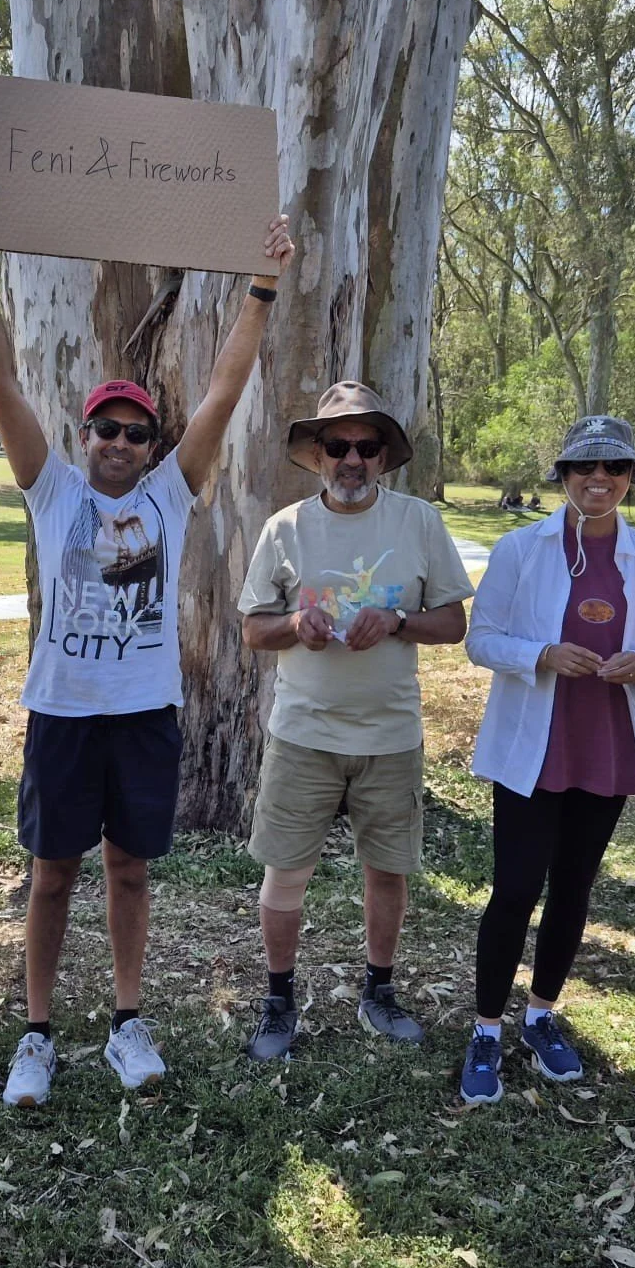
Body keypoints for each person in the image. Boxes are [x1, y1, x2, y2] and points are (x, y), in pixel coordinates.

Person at [0, 184, 295, 1108]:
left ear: (152, 445)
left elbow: (224, 391)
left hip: (144, 713)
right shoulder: (53, 489)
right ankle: (36, 1033)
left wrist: (262, 286)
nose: (117, 441)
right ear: (83, 435)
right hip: (63, 711)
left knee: (130, 870)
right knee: (51, 875)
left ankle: (126, 1021)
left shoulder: (170, 496)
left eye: (135, 432)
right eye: (104, 427)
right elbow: (0, 381)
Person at [238, 381, 476, 1058]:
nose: (352, 460)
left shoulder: (418, 523)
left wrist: (397, 619)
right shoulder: (285, 528)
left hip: (390, 735)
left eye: (366, 447)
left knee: (387, 871)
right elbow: (253, 629)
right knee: (286, 872)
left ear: (383, 457)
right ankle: (278, 1002)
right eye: (338, 446)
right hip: (303, 733)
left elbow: (453, 622)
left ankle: (379, 991)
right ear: (316, 454)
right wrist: (295, 625)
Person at [459, 417, 635, 1104]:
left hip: (605, 743)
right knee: (515, 889)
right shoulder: (520, 548)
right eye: (585, 467)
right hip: (534, 744)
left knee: (574, 889)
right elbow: (480, 638)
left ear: (631, 477)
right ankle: (486, 1030)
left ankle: (541, 1016)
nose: (599, 479)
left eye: (615, 467)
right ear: (563, 476)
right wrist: (543, 654)